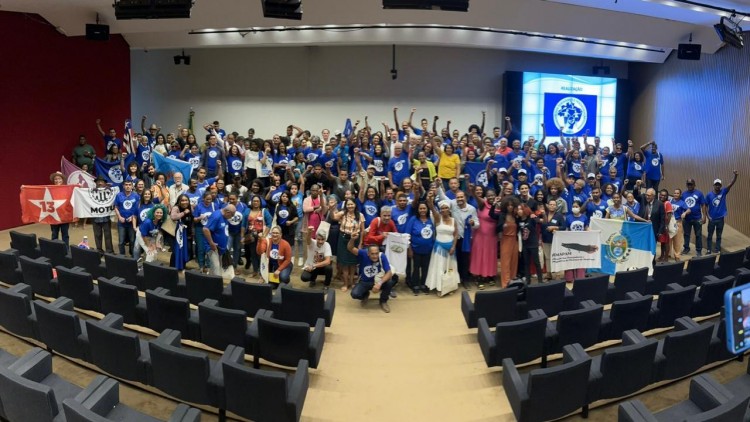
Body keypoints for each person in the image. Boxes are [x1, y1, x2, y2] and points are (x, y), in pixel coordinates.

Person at [347, 233, 395, 313]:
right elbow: (350, 248)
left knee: (389, 282)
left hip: (377, 281)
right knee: (354, 294)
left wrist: (379, 283)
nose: (375, 256)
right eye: (372, 254)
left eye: (376, 253)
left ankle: (383, 301)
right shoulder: (363, 254)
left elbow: (389, 273)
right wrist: (352, 239)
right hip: (364, 281)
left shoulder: (382, 256)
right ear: (368, 253)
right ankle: (365, 295)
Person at [424, 199, 459, 294]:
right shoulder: (438, 218)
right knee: (439, 268)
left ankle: (450, 286)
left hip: (450, 249)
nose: (444, 210)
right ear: (440, 210)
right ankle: (439, 288)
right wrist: (430, 200)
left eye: (446, 208)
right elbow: (431, 207)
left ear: (449, 209)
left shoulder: (453, 220)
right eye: (442, 208)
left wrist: (453, 247)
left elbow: (456, 234)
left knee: (450, 268)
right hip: (439, 249)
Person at [469, 188, 499, 289]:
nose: (491, 197)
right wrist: (472, 190)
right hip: (480, 236)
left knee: (490, 255)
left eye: (492, 195)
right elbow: (476, 196)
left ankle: (489, 276)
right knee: (480, 255)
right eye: (489, 195)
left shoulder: (497, 205)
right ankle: (479, 277)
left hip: (492, 236)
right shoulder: (482, 204)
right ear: (486, 197)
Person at [333, 198, 364, 292]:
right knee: (345, 263)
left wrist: (361, 243)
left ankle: (352, 282)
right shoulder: (343, 214)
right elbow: (334, 217)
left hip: (355, 240)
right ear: (346, 205)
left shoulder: (360, 215)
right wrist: (332, 208)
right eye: (348, 204)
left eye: (352, 204)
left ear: (355, 205)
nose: (350, 206)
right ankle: (346, 283)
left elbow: (362, 231)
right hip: (343, 239)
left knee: (353, 263)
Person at [706, 170, 738, 254]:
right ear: (714, 185)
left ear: (721, 186)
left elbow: (731, 184)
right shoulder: (709, 195)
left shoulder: (723, 192)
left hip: (720, 219)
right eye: (716, 184)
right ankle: (709, 250)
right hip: (712, 219)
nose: (717, 186)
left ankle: (717, 249)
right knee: (709, 235)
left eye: (719, 184)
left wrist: (735, 176)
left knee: (719, 236)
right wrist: (707, 216)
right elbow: (705, 206)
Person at [490, 196, 520, 287]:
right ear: (505, 206)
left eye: (511, 205)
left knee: (514, 262)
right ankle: (506, 283)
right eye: (508, 205)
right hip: (505, 240)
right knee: (505, 262)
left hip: (514, 240)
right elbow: (491, 214)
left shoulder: (516, 216)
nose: (510, 207)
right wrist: (494, 204)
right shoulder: (501, 215)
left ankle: (513, 281)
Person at [202, 204, 235, 277]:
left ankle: (210, 284)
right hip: (213, 248)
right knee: (216, 270)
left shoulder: (225, 216)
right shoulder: (216, 216)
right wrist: (211, 243)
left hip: (221, 248)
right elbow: (205, 229)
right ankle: (215, 287)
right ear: (228, 212)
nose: (232, 217)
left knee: (216, 269)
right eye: (232, 215)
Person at [517, 203, 543, 285]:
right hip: (525, 245)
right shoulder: (519, 220)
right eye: (517, 210)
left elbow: (540, 221)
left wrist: (535, 216)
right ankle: (528, 281)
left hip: (533, 244)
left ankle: (540, 281)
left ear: (525, 210)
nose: (518, 211)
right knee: (526, 263)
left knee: (536, 262)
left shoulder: (531, 218)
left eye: (520, 209)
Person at [681, 178, 707, 256]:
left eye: (691, 184)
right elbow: (682, 205)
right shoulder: (684, 194)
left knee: (698, 235)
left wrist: (704, 216)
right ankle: (686, 248)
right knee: (686, 234)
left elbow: (703, 205)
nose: (690, 185)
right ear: (686, 185)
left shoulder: (699, 193)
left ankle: (699, 250)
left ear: (694, 185)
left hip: (697, 218)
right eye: (688, 184)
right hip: (687, 219)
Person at [114, 180, 140, 256]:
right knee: (121, 241)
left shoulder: (136, 196)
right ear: (123, 186)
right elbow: (116, 207)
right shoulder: (119, 195)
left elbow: (138, 208)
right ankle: (122, 255)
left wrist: (132, 217)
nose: (128, 186)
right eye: (126, 185)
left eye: (129, 185)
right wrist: (119, 217)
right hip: (121, 222)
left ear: (132, 186)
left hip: (132, 223)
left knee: (132, 240)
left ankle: (132, 255)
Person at [90, 176, 114, 254]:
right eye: (98, 181)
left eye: (102, 181)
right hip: (95, 218)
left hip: (106, 217)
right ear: (96, 183)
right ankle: (99, 251)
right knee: (97, 235)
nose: (100, 183)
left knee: (108, 235)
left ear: (104, 183)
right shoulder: (90, 192)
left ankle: (109, 251)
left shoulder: (109, 191)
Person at [169, 193, 194, 271]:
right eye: (182, 200)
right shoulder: (176, 207)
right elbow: (173, 217)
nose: (184, 202)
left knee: (188, 251)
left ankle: (182, 266)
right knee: (176, 252)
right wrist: (184, 213)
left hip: (188, 234)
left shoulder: (191, 208)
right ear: (179, 201)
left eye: (186, 200)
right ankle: (172, 268)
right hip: (176, 235)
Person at [48, 172, 71, 245]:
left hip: (64, 216)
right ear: (53, 181)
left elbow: (75, 193)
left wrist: (80, 186)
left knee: (65, 235)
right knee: (54, 234)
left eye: (59, 178)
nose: (57, 180)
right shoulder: (50, 189)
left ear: (62, 180)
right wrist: (24, 188)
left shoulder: (67, 189)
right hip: (54, 216)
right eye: (56, 179)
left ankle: (66, 251)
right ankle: (55, 250)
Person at [669, 188, 687, 261]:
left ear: (680, 194)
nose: (675, 194)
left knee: (677, 240)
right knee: (669, 239)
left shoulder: (682, 202)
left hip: (677, 222)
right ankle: (668, 254)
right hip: (670, 222)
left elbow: (689, 209)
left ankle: (677, 255)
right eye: (675, 193)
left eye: (677, 193)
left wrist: (685, 213)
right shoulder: (669, 201)